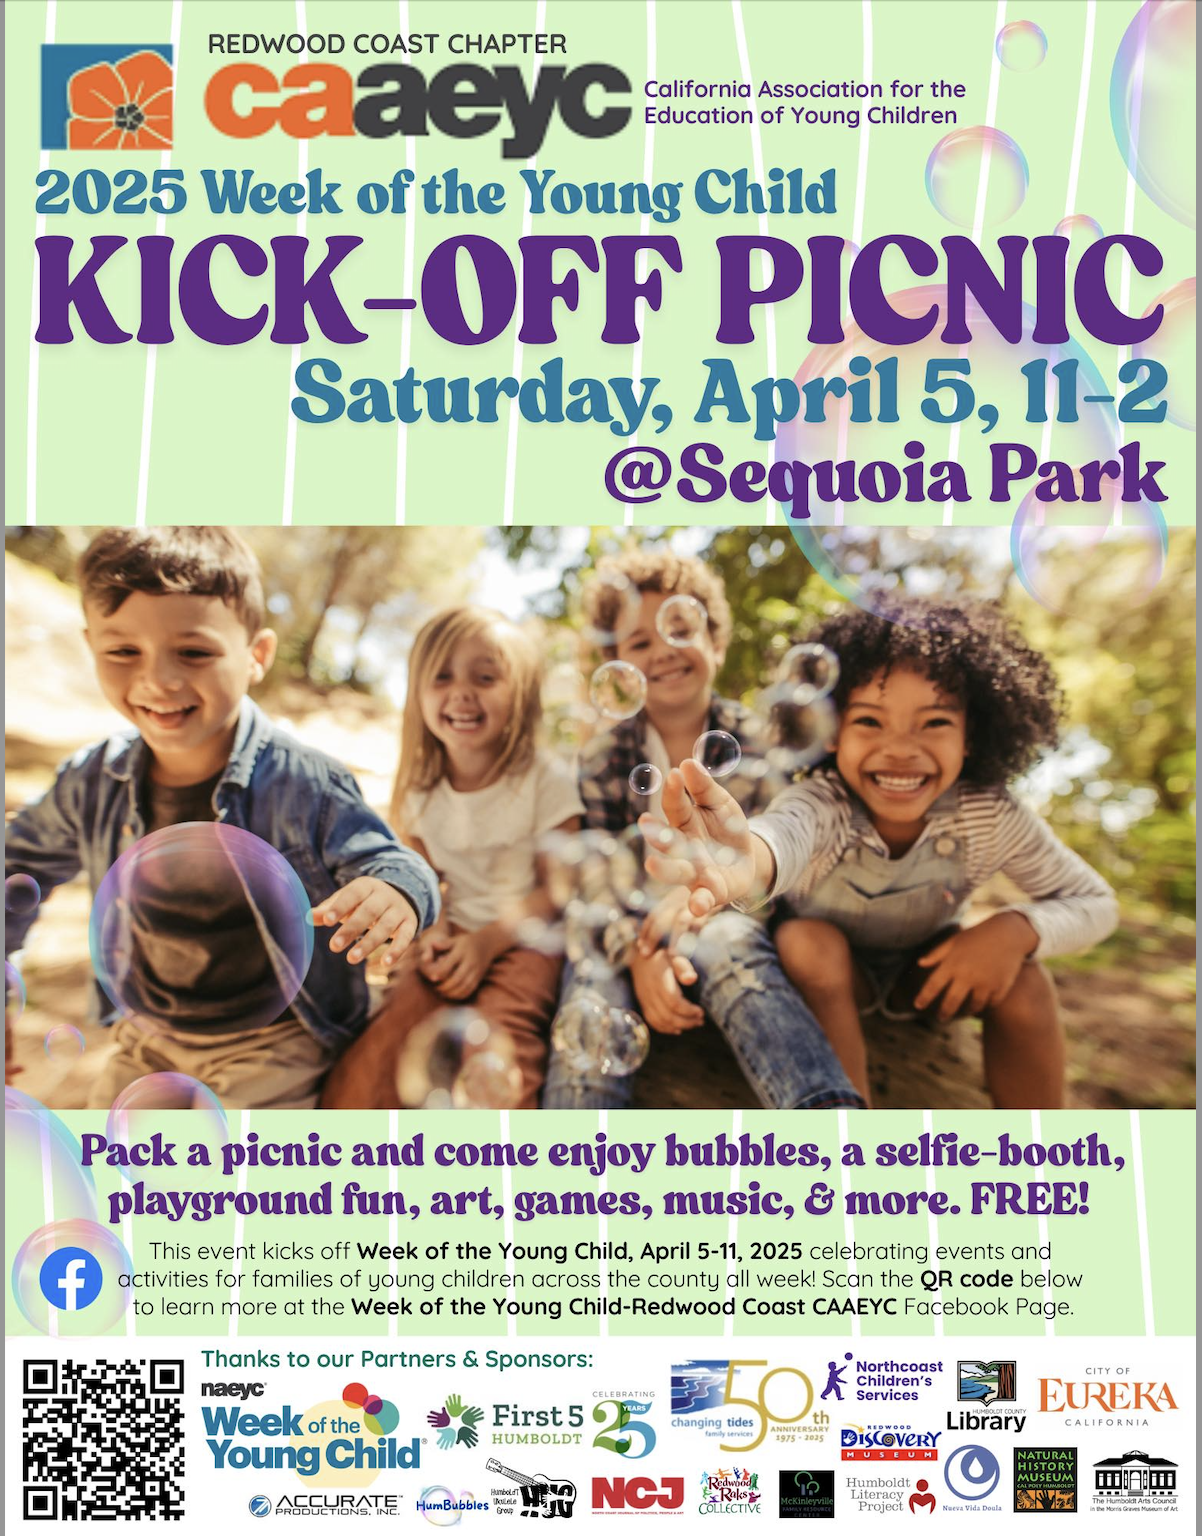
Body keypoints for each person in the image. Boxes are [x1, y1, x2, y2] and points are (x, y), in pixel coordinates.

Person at [4, 527, 440, 1109]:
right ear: (92, 647)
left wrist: (397, 893)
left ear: (256, 655)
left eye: (194, 652)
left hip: (277, 1040)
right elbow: (18, 869)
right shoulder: (92, 780)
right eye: (123, 651)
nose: (159, 679)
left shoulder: (304, 781)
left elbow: (390, 860)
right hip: (150, 1036)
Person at [641, 597, 1119, 1110]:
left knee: (1026, 976)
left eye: (934, 723)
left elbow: (1097, 903)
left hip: (926, 972)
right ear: (830, 733)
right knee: (806, 939)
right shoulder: (824, 801)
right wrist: (744, 859)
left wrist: (1014, 930)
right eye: (870, 722)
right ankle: (853, 1137)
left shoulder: (989, 815)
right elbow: (781, 836)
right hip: (832, 974)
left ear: (972, 737)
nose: (900, 749)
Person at [542, 547, 863, 1112]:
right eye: (639, 643)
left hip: (723, 917)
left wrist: (690, 924)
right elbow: (593, 877)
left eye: (681, 630)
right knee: (592, 980)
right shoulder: (602, 760)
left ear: (716, 643)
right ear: (618, 665)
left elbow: (766, 868)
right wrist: (640, 952)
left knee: (736, 951)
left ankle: (830, 1119)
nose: (663, 650)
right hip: (628, 927)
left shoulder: (759, 742)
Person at [322, 606, 583, 1110]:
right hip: (448, 936)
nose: (461, 692)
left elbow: (558, 888)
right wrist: (434, 930)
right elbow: (421, 881)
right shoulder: (421, 791)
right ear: (417, 695)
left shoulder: (544, 779)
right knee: (393, 1031)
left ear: (523, 696)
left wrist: (487, 943)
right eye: (441, 677)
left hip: (525, 942)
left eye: (485, 677)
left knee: (506, 1040)